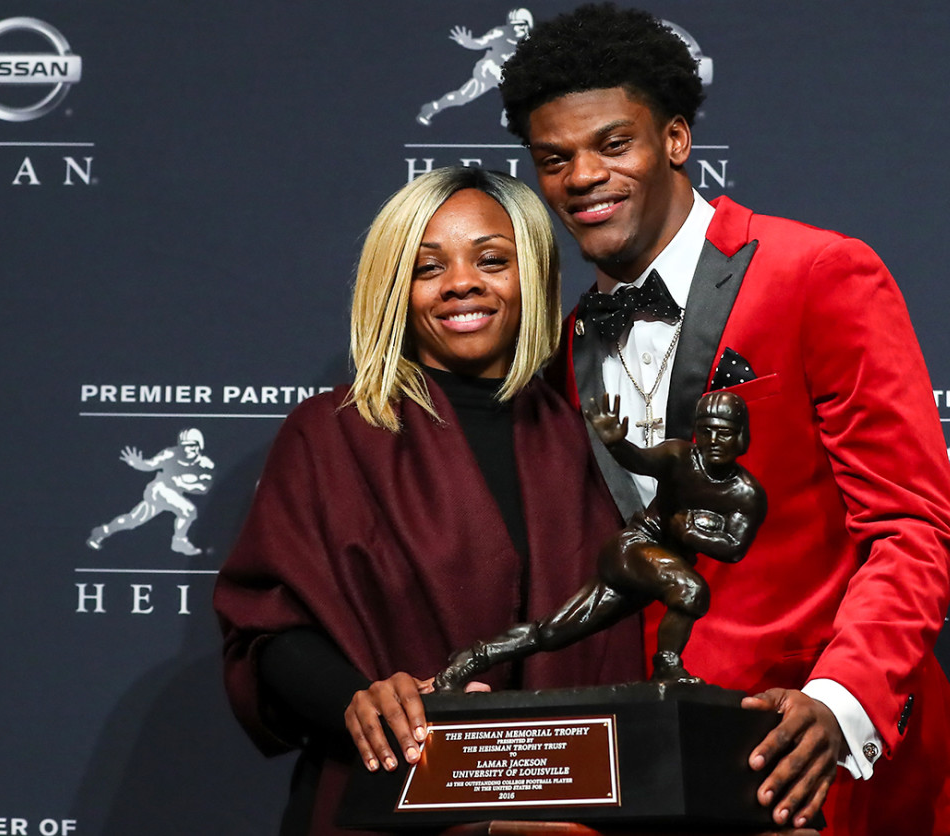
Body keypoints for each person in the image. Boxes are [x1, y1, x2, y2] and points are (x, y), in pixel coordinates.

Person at [496, 5, 950, 835]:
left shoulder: (819, 273)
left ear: (677, 141)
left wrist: (840, 701)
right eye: (555, 159)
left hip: (824, 766)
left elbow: (911, 525)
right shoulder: (568, 340)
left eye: (614, 144)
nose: (583, 176)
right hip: (664, 774)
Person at [213, 166, 641, 836]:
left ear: (531, 274)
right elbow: (268, 633)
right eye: (426, 267)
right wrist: (360, 696)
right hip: (391, 804)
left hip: (572, 815)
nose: (462, 283)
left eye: (492, 260)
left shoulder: (592, 445)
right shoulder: (334, 434)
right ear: (395, 289)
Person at [435, 389, 766, 691]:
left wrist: (691, 532)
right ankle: (667, 667)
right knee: (691, 589)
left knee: (551, 632)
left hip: (653, 576)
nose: (713, 441)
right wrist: (617, 444)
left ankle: (471, 659)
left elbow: (734, 548)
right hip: (632, 549)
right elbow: (641, 460)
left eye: (723, 433)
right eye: (706, 430)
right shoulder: (680, 456)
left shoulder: (746, 494)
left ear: (741, 437)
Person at [86, 428, 213, 555]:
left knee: (132, 520)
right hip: (159, 490)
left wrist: (184, 484)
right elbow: (150, 464)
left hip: (172, 495)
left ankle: (103, 531)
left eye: (191, 445)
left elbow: (203, 488)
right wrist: (138, 463)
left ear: (199, 445)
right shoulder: (170, 454)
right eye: (184, 446)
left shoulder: (205, 465)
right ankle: (179, 541)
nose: (187, 449)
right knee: (188, 510)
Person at [416, 8, 533, 126]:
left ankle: (432, 107)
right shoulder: (500, 33)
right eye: (513, 25)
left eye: (519, 25)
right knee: (464, 97)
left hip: (508, 74)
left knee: (462, 96)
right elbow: (481, 42)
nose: (515, 28)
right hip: (490, 70)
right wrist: (468, 42)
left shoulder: (532, 41)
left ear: (528, 24)